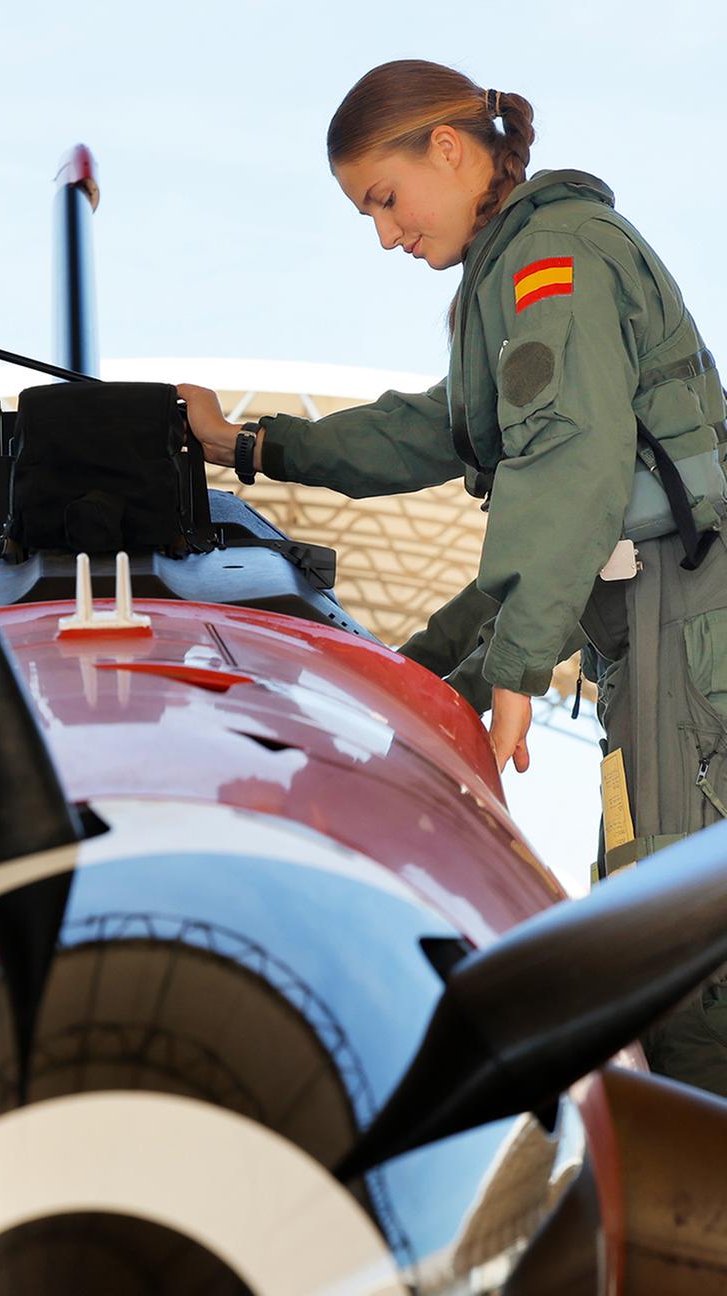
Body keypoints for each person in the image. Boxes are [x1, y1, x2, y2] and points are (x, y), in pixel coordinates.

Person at [178, 60, 727, 1094]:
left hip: (686, 612)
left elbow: (569, 459)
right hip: (650, 617)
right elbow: (434, 430)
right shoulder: (506, 277)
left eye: (384, 200)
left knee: (681, 940)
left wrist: (511, 666)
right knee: (651, 908)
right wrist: (247, 445)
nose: (385, 235)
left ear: (448, 147)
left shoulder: (553, 259)